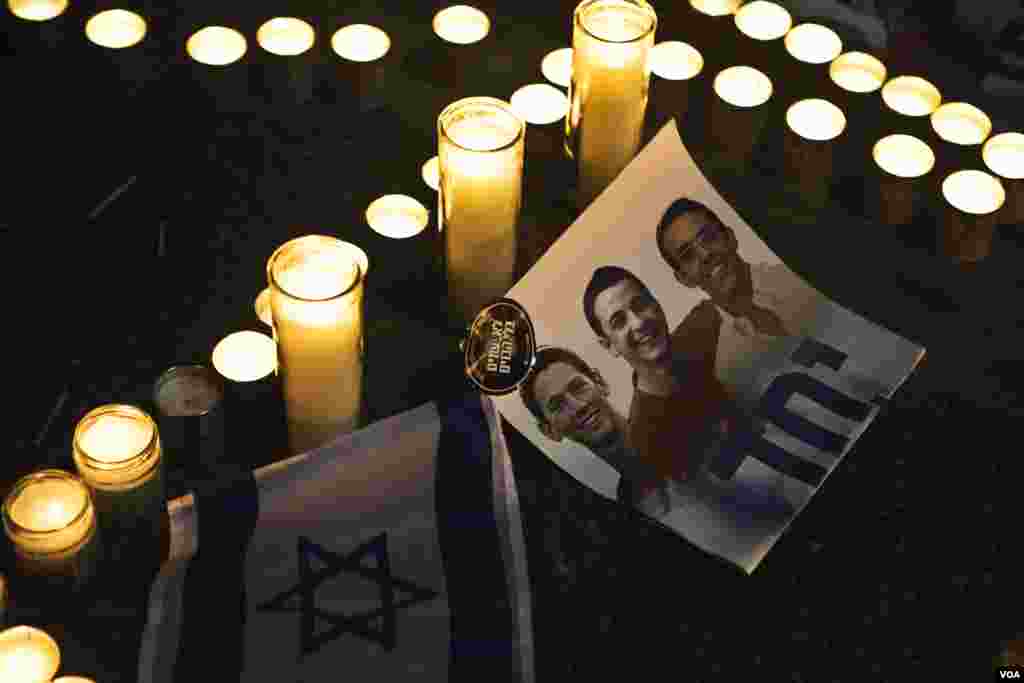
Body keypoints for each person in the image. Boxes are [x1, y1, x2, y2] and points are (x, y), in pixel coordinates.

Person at [582, 266, 794, 525]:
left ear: (656, 304)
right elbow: (728, 507)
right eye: (619, 322)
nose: (638, 322)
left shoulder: (708, 322)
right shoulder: (648, 436)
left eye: (640, 305)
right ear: (609, 345)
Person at [654, 197, 823, 403]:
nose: (706, 254)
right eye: (688, 255)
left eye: (708, 238)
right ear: (684, 279)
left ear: (730, 237)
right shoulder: (728, 368)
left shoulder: (800, 273)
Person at [519, 346, 672, 518]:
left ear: (600, 382)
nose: (579, 407)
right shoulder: (617, 516)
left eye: (578, 388)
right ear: (549, 431)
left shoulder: (677, 431)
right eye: (558, 406)